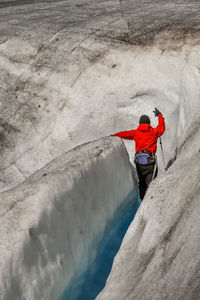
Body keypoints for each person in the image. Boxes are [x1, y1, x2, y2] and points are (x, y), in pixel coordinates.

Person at [113, 108, 165, 200]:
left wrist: (114, 136)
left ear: (140, 123)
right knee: (151, 183)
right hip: (150, 162)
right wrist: (160, 116)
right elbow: (161, 128)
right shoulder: (153, 132)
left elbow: (125, 134)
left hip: (139, 163)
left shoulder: (136, 133)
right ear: (148, 123)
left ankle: (142, 200)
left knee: (142, 182)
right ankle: (150, 201)